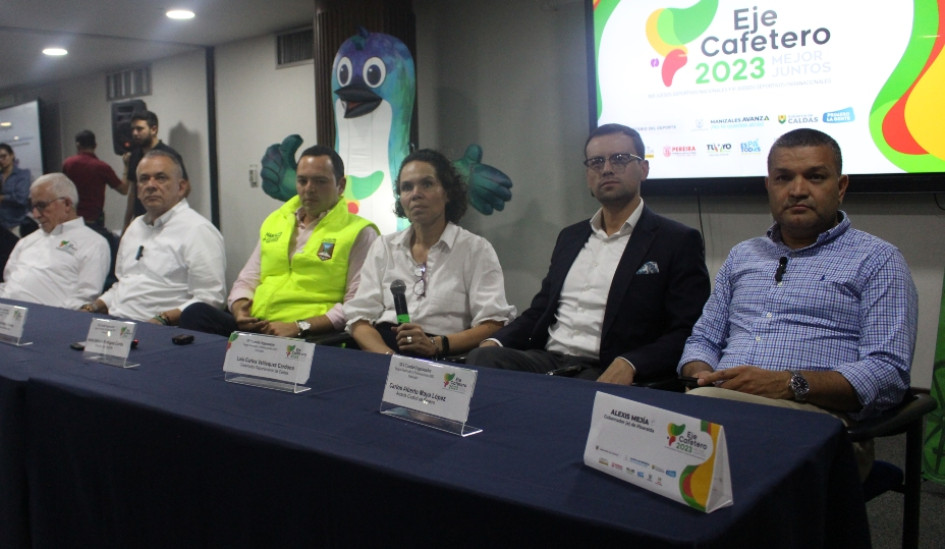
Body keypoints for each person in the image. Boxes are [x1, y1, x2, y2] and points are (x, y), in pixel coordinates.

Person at [678, 128, 918, 479]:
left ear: (841, 186)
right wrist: (701, 373)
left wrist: (791, 383)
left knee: (701, 475)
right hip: (718, 404)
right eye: (783, 178)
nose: (798, 190)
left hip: (814, 420)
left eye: (816, 177)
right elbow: (703, 340)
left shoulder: (877, 259)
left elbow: (888, 372)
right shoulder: (742, 255)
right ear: (769, 187)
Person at [466, 124, 710, 384]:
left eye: (620, 159)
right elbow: (540, 311)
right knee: (482, 359)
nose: (606, 169)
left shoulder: (677, 240)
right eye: (596, 162)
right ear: (588, 176)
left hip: (609, 368)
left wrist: (633, 362)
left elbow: (688, 329)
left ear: (644, 169)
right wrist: (495, 341)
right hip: (549, 360)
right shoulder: (570, 237)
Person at [180, 145, 379, 338]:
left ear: (341, 185)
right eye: (302, 181)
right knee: (195, 314)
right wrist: (240, 310)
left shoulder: (359, 233)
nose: (309, 189)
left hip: (310, 334)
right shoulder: (276, 221)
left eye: (320, 181)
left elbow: (356, 306)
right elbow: (247, 279)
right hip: (260, 325)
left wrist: (299, 327)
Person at [345, 149, 515, 357]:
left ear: (447, 192)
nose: (416, 194)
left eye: (426, 184)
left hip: (444, 351)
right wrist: (390, 358)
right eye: (407, 187)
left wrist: (437, 344)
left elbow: (493, 323)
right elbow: (359, 319)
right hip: (383, 350)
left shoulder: (476, 249)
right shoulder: (384, 246)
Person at [81, 150, 225, 325]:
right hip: (115, 328)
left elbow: (210, 298)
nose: (151, 185)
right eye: (144, 179)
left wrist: (162, 318)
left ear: (181, 187)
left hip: (162, 332)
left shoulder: (198, 230)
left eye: (161, 178)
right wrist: (93, 307)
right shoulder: (135, 227)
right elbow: (123, 285)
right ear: (138, 190)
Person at [0, 173, 109, 308]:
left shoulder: (93, 243)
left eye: (41, 206)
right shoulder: (26, 241)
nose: (35, 214)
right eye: (32, 206)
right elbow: (8, 282)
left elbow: (84, 297)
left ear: (67, 204)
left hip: (47, 321)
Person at [121, 110, 188, 229]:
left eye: (139, 129)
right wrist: (126, 223)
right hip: (142, 221)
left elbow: (185, 187)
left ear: (153, 129)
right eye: (133, 129)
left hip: (166, 222)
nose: (135, 133)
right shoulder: (135, 155)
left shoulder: (169, 155)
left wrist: (169, 213)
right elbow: (132, 193)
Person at [62, 130, 128, 225]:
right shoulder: (102, 167)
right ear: (95, 145)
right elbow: (124, 190)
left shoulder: (68, 163)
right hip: (94, 219)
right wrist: (126, 166)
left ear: (77, 145)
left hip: (73, 218)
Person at [0, 143, 35, 237]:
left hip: (17, 223)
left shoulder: (23, 174)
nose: (1, 160)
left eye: (4, 156)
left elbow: (21, 198)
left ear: (12, 155)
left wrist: (3, 198)